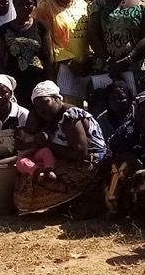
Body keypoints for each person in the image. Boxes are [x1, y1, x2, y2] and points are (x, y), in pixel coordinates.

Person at [12, 80, 106, 215]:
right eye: (37, 107)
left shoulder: (70, 117)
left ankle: (86, 200)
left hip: (90, 163)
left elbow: (80, 153)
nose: (41, 110)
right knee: (29, 173)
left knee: (40, 179)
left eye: (45, 103)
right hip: (72, 160)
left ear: (56, 99)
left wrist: (48, 144)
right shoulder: (52, 117)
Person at [35, 0, 90, 103]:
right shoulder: (45, 7)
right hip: (61, 68)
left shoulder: (83, 5)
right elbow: (45, 39)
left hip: (85, 66)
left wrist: (91, 58)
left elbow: (90, 33)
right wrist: (69, 61)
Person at [0, 0, 52, 106]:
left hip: (38, 83)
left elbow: (49, 57)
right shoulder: (5, 29)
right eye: (20, 3)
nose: (24, 7)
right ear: (14, 4)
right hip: (15, 84)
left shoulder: (41, 26)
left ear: (34, 5)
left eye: (29, 4)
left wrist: (49, 83)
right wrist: (6, 84)